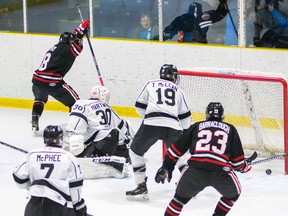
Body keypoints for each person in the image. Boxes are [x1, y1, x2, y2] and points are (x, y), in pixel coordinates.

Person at [155, 102, 252, 216]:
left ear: (206, 114)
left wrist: (167, 167)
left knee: (178, 199)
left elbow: (176, 149)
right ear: (222, 115)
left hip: (195, 170)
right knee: (233, 195)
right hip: (220, 172)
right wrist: (245, 166)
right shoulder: (231, 129)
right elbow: (238, 163)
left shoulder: (197, 126)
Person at [125, 64, 191, 201]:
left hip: (151, 124)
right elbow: (185, 118)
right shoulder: (178, 90)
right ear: (174, 76)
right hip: (173, 126)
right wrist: (184, 135)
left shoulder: (150, 84)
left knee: (135, 152)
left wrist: (150, 118)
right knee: (180, 156)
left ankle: (141, 187)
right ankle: (188, 187)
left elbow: (139, 107)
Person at [12, 125, 88, 216]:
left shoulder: (32, 154)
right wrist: (79, 205)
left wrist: (34, 187)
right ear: (60, 139)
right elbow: (75, 184)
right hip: (59, 207)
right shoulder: (68, 157)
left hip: (33, 207)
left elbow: (18, 177)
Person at [31, 19, 90, 132]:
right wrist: (82, 31)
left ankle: (34, 119)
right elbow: (78, 47)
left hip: (37, 81)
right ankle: (75, 127)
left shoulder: (55, 47)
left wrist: (81, 30)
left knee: (40, 99)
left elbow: (74, 41)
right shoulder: (66, 48)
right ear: (69, 41)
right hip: (51, 81)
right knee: (76, 103)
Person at [65, 85, 133, 179]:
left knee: (76, 144)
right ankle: (122, 156)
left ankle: (95, 159)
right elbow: (124, 127)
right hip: (112, 141)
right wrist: (131, 147)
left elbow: (74, 129)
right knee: (117, 138)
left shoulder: (81, 104)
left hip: (98, 145)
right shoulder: (108, 107)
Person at [153, 0, 228, 43]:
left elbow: (168, 32)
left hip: (194, 47)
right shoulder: (183, 19)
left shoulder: (182, 18)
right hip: (194, 47)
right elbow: (219, 15)